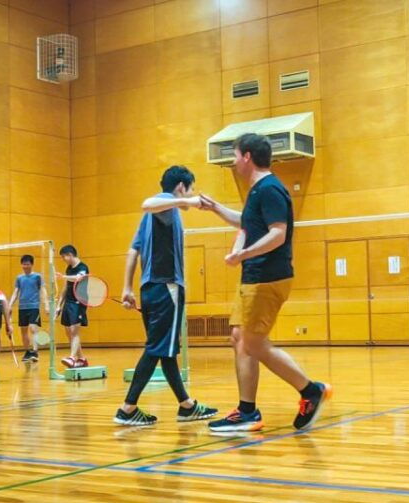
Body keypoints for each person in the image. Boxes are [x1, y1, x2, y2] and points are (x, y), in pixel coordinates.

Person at [200, 133, 331, 432]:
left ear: (247, 156)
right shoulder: (257, 191)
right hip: (253, 276)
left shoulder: (270, 189)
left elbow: (278, 234)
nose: (232, 162)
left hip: (266, 277)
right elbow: (248, 223)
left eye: (234, 156)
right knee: (239, 337)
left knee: (254, 343)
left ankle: (310, 390)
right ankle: (247, 410)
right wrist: (217, 208)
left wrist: (243, 253)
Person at [113, 166, 219, 426]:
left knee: (166, 350)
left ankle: (187, 405)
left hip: (149, 289)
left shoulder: (154, 216)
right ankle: (128, 408)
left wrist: (127, 288)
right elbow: (146, 202)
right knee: (157, 348)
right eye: (190, 188)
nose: (192, 194)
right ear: (181, 187)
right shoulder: (166, 206)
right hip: (167, 288)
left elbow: (132, 251)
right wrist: (187, 201)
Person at [8, 254, 48, 362]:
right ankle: (27, 352)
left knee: (33, 328)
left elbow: (43, 290)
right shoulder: (19, 278)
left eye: (28, 264)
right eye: (24, 264)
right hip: (22, 308)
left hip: (34, 306)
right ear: (21, 265)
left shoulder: (37, 276)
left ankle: (35, 352)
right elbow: (16, 292)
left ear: (32, 264)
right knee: (24, 331)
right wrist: (10, 305)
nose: (26, 266)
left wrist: (46, 304)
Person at [55, 244, 90, 369]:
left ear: (70, 255)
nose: (63, 259)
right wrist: (59, 305)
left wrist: (63, 277)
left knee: (75, 331)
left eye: (63, 256)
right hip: (68, 302)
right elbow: (66, 287)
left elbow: (78, 278)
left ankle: (72, 357)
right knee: (68, 332)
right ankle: (82, 359)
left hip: (79, 302)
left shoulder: (83, 267)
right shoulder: (69, 268)